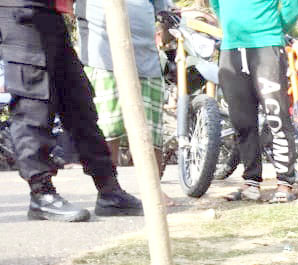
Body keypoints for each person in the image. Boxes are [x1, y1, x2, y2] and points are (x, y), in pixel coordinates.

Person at [0, 0, 143, 221]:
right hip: (20, 11)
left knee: (79, 102)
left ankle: (108, 189)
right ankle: (41, 194)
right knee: (34, 104)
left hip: (50, 12)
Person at [75, 0, 175, 205]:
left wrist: (166, 33)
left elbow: (164, 11)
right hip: (103, 60)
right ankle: (109, 190)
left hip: (146, 61)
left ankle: (153, 190)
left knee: (151, 132)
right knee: (108, 129)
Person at [214, 0, 298, 202]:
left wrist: (272, 28)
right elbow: (216, 5)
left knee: (276, 114)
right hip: (231, 48)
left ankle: (284, 182)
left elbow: (291, 7)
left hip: (266, 44)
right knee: (241, 120)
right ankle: (251, 181)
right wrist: (230, 28)